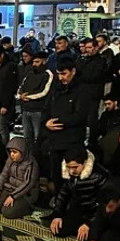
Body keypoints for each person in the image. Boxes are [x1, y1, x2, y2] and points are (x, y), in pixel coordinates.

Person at [42, 59, 88, 190]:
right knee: (56, 174)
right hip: (55, 140)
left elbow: (80, 115)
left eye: (64, 73)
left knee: (72, 176)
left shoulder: (82, 89)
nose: (61, 77)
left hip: (72, 141)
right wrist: (46, 122)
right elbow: (46, 108)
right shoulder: (56, 87)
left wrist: (57, 122)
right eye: (59, 74)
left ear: (73, 71)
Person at [46, 145, 109, 238]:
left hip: (94, 213)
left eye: (75, 167)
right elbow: (63, 194)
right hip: (77, 210)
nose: (71, 171)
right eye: (69, 167)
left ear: (84, 163)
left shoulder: (99, 176)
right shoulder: (69, 174)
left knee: (87, 238)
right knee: (58, 230)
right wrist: (57, 215)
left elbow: (103, 205)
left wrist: (88, 223)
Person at [0, 137, 40, 219]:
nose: (11, 154)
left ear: (22, 152)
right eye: (10, 152)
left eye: (14, 152)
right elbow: (4, 174)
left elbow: (28, 183)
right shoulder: (10, 160)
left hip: (26, 194)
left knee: (7, 212)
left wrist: (13, 196)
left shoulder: (31, 163)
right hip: (9, 189)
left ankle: (28, 208)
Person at [17, 50, 53, 148]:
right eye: (33, 62)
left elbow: (44, 92)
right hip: (25, 109)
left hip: (38, 110)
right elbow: (21, 87)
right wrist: (20, 96)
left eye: (37, 62)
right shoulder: (30, 73)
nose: (34, 64)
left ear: (44, 61)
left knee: (38, 137)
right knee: (27, 137)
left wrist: (26, 96)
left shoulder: (48, 74)